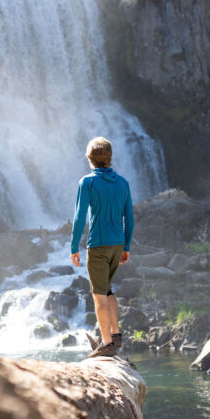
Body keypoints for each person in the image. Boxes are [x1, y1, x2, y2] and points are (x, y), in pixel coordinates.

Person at [70, 137, 134, 358]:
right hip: (117, 244)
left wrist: (73, 247)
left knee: (99, 296)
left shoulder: (87, 182)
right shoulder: (123, 182)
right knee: (107, 290)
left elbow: (79, 219)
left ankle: (106, 344)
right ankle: (115, 335)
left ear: (90, 159)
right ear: (109, 157)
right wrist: (126, 245)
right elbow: (130, 218)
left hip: (98, 244)